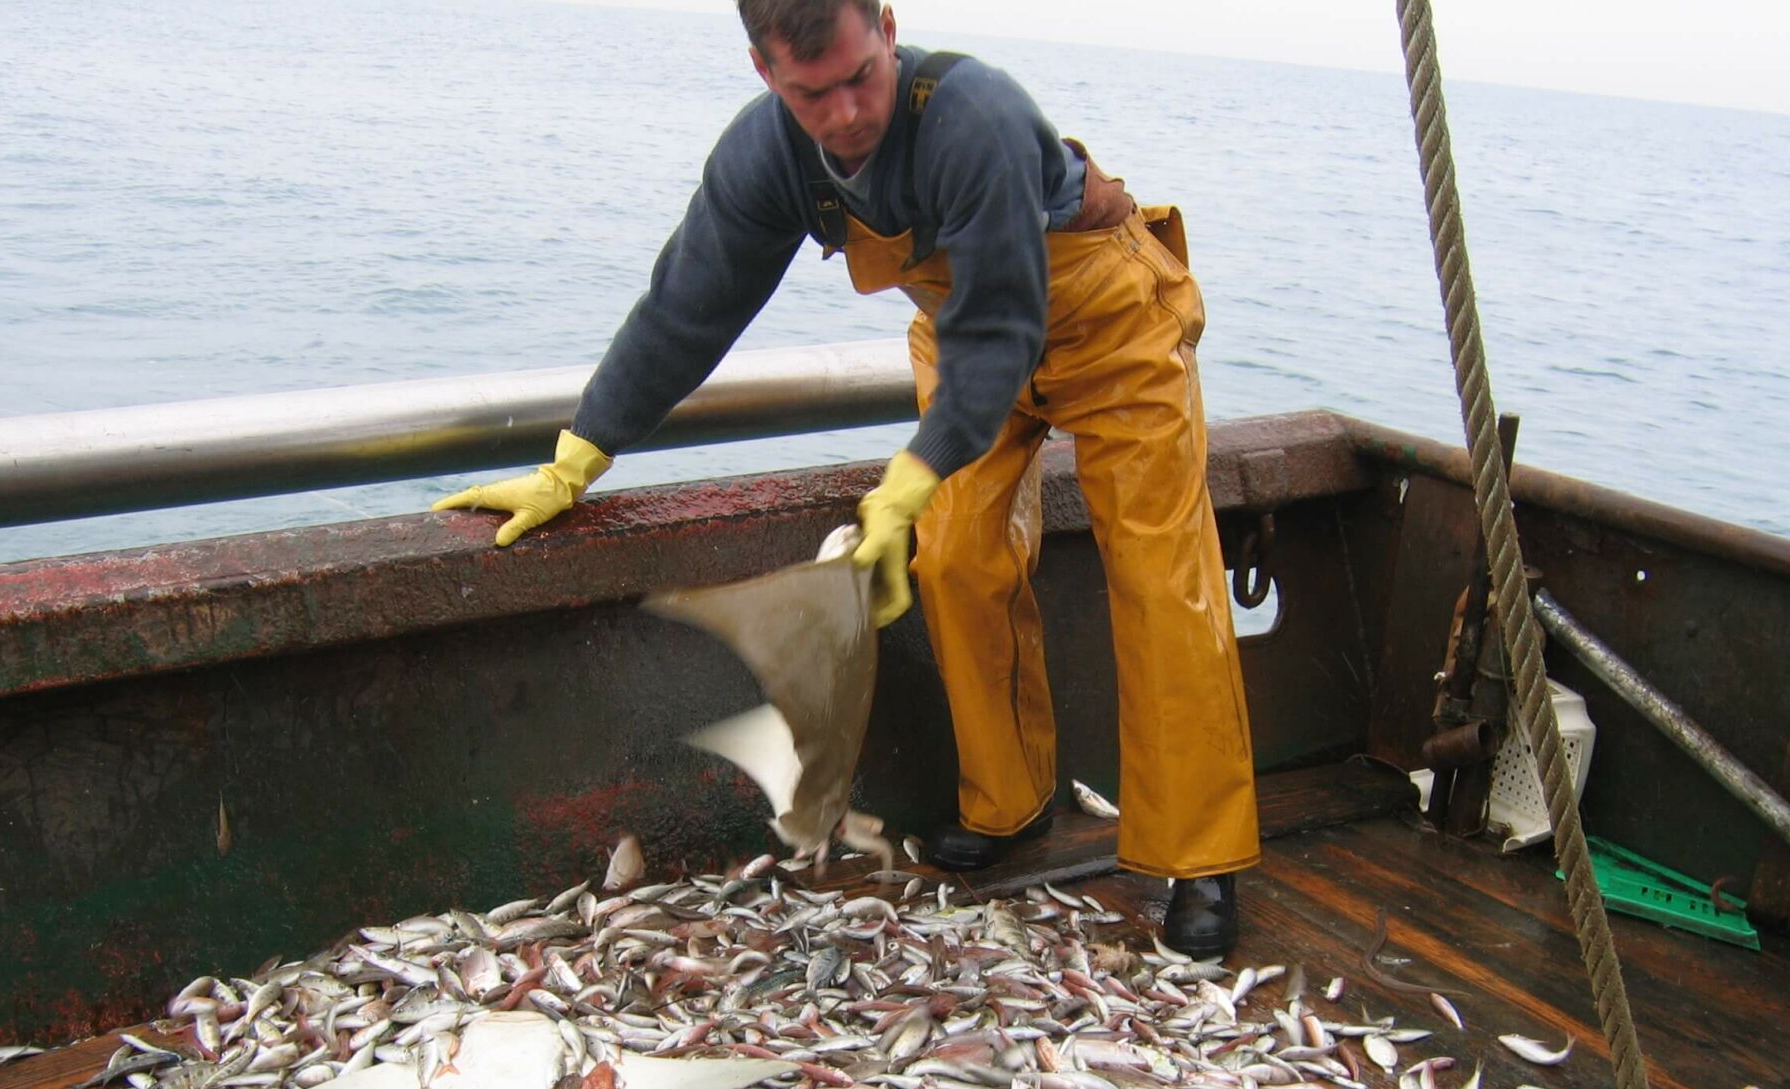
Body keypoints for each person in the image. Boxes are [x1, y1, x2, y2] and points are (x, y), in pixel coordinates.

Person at [432, 0, 1259, 956]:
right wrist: (580, 454)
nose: (843, 113)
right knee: (953, 564)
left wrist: (910, 475)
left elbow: (1004, 324)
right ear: (764, 72)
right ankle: (1010, 801)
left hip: (1107, 319)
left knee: (1162, 578)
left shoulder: (972, 116)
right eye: (809, 92)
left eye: (860, 77)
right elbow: (687, 307)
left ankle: (1198, 858)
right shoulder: (766, 157)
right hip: (967, 338)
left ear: (889, 28)